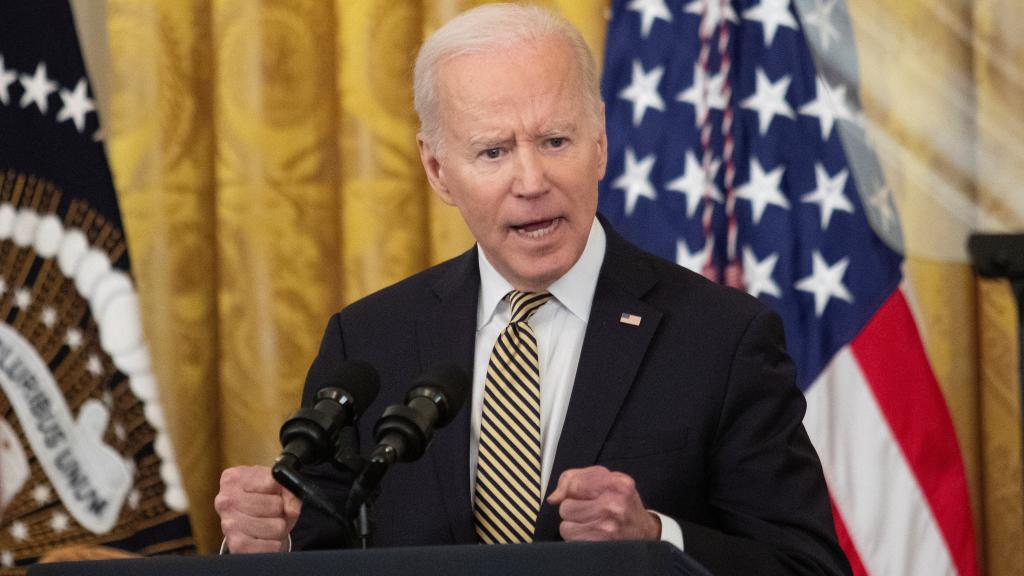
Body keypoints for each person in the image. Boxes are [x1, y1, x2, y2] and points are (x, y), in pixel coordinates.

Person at [214, 4, 852, 575]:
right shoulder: (369, 342)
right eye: (493, 152)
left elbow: (807, 566)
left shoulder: (721, 338)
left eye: (555, 140)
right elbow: (323, 546)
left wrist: (654, 538)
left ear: (600, 143)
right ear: (438, 169)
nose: (531, 181)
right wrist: (269, 546)